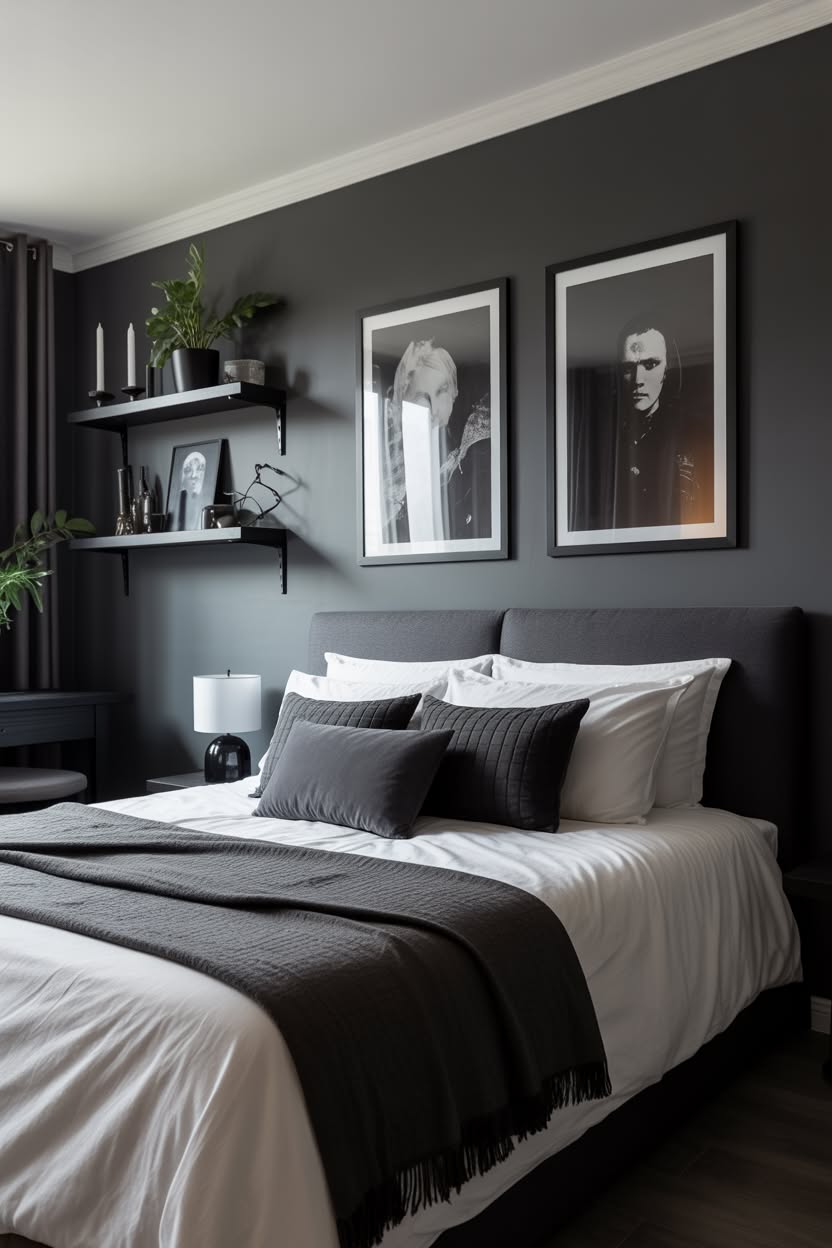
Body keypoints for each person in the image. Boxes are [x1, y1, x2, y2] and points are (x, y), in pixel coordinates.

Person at [381, 339, 491, 544]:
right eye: (420, 397)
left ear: (454, 392)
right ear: (402, 403)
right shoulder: (389, 474)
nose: (433, 409)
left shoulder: (477, 453)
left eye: (441, 391)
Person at [612, 314, 708, 529]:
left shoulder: (695, 433)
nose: (638, 380)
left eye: (650, 364)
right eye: (629, 368)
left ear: (667, 368)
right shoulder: (606, 439)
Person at [177, 449, 207, 530]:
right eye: (188, 470)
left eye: (200, 469)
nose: (194, 476)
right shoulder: (179, 507)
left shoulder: (207, 504)